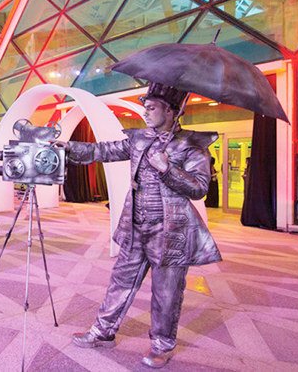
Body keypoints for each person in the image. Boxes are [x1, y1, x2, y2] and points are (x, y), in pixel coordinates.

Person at [58, 82, 221, 369]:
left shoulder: (192, 145)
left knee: (166, 293)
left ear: (171, 111)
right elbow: (103, 151)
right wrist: (68, 147)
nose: (145, 112)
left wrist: (167, 168)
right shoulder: (138, 140)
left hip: (170, 233)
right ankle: (103, 330)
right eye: (144, 107)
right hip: (136, 226)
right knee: (120, 281)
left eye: (151, 108)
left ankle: (162, 345)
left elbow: (198, 188)